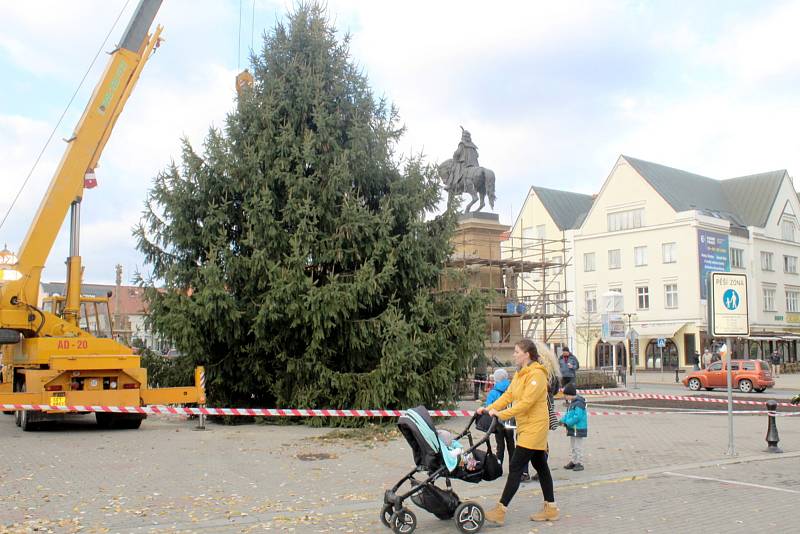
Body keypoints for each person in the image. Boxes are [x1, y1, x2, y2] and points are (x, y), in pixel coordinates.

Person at [478, 338, 560, 526]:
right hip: (526, 426)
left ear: (527, 354)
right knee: (540, 465)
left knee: (515, 467)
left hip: (535, 427)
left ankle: (500, 510)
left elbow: (525, 403)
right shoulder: (520, 374)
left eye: (516, 352)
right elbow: (509, 395)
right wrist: (488, 407)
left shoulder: (537, 375)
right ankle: (551, 508)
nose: (514, 355)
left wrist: (500, 414)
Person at [485, 369, 514, 467]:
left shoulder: (493, 392)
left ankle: (499, 466)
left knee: (500, 445)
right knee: (511, 444)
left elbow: (488, 406)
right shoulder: (511, 389)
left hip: (497, 422)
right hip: (510, 420)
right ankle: (513, 466)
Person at [559, 382, 588, 471]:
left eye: (566, 395)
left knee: (577, 446)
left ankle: (579, 462)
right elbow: (568, 414)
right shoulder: (572, 403)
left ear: (570, 394)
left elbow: (577, 417)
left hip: (578, 428)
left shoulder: (579, 404)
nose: (565, 397)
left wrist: (567, 423)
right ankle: (574, 461)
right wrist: (562, 420)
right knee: (573, 446)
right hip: (573, 428)